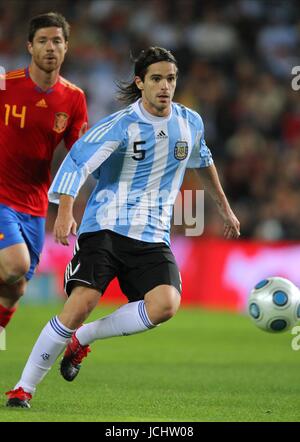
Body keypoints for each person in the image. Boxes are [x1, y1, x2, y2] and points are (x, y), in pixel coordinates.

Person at [5, 46, 240, 408]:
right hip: (106, 228)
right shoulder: (121, 126)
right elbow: (76, 163)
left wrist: (224, 208)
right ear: (141, 82)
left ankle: (82, 339)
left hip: (152, 235)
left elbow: (203, 159)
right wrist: (66, 211)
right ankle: (24, 387)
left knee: (165, 304)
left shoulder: (189, 122)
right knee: (80, 303)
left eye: (171, 79)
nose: (165, 86)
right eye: (157, 79)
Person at [0, 12, 88, 330]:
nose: (50, 47)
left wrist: (64, 209)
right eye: (42, 41)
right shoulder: (5, 86)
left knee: (16, 286)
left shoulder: (74, 98)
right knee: (15, 264)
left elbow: (78, 158)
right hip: (1, 197)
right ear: (29, 47)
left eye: (57, 41)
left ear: (66, 48)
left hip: (35, 205)